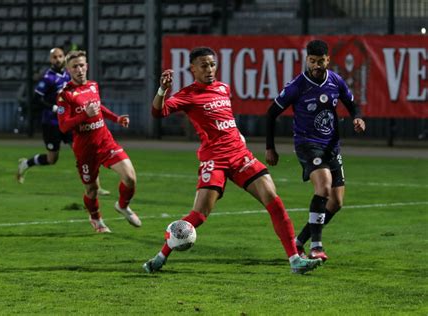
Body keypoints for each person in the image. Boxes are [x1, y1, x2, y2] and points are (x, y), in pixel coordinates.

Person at [143, 46, 322, 274]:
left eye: (212, 64)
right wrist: (162, 90)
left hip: (240, 155)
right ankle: (160, 257)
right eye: (204, 65)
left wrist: (236, 134)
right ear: (193, 69)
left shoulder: (223, 88)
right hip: (214, 159)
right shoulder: (188, 95)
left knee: (274, 201)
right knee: (198, 215)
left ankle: (295, 260)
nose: (210, 69)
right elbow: (158, 113)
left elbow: (224, 120)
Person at [266, 40, 366, 261]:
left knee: (336, 202)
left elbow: (352, 104)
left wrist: (357, 117)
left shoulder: (335, 81)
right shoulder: (297, 86)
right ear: (306, 60)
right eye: (312, 61)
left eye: (321, 61)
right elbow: (271, 113)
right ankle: (316, 247)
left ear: (328, 60)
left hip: (331, 146)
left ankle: (299, 242)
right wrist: (270, 148)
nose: (316, 65)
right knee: (324, 187)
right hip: (307, 144)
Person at [56, 50, 142, 233]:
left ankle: (123, 206)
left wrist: (116, 118)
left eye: (81, 65)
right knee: (92, 190)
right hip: (86, 150)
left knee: (130, 177)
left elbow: (98, 106)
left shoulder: (93, 85)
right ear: (68, 71)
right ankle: (95, 218)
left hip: (105, 142)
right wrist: (83, 116)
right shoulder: (65, 95)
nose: (79, 69)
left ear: (86, 66)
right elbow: (63, 127)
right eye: (74, 67)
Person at [16, 47, 110, 196]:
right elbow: (36, 100)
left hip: (70, 122)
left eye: (60, 56)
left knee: (83, 152)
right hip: (52, 124)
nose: (58, 59)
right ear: (50, 60)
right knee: (52, 159)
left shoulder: (69, 74)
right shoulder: (48, 78)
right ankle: (26, 163)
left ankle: (96, 188)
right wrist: (53, 107)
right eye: (55, 57)